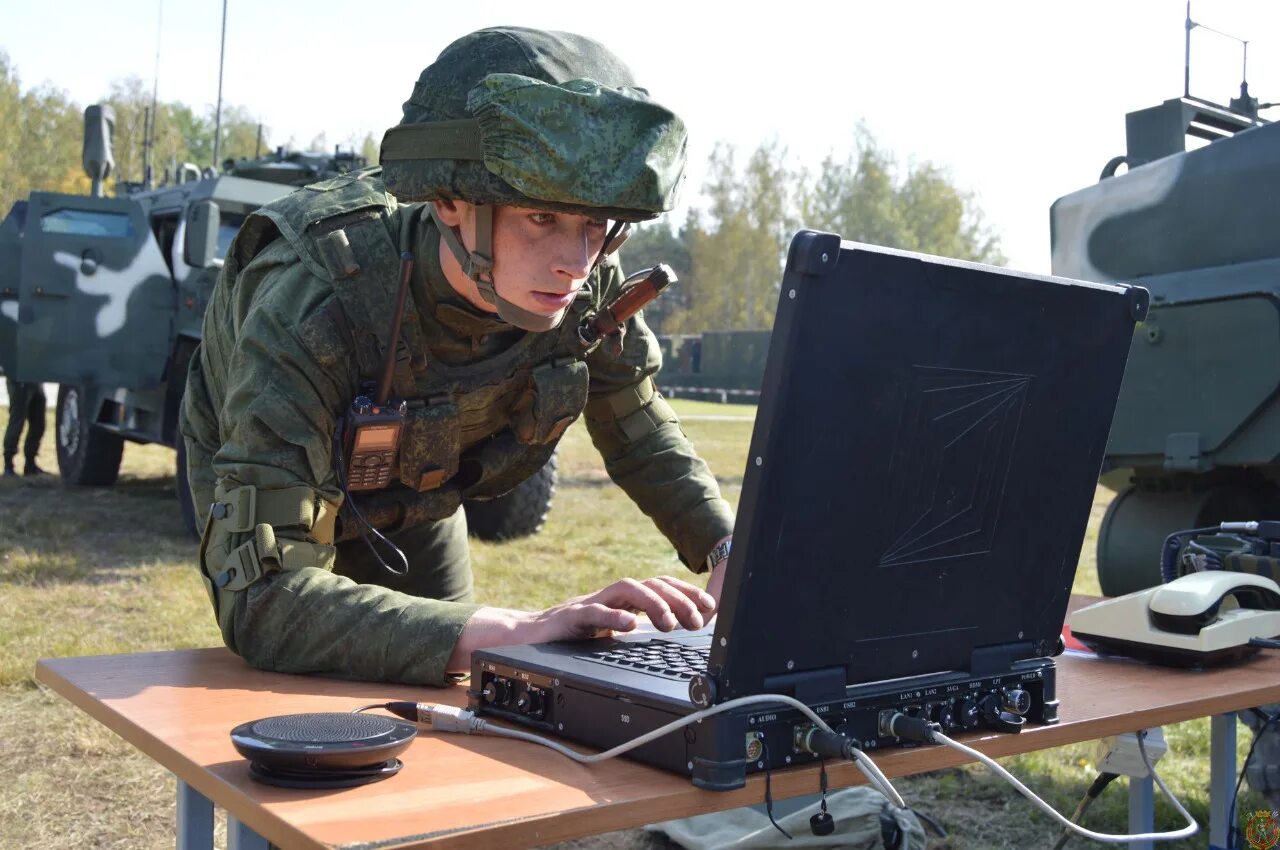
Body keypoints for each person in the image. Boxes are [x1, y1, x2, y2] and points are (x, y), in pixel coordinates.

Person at [179, 27, 735, 686]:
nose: (575, 263)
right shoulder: (314, 301)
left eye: (595, 226)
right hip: (282, 482)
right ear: (449, 201)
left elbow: (637, 427)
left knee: (450, 691)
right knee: (306, 714)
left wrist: (729, 551)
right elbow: (266, 601)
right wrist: (516, 631)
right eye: (540, 218)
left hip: (414, 498)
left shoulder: (587, 288)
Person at [4, 377, 46, 477]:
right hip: (19, 378)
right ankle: (8, 464)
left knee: (38, 423)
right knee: (17, 421)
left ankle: (30, 463)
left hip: (35, 378)